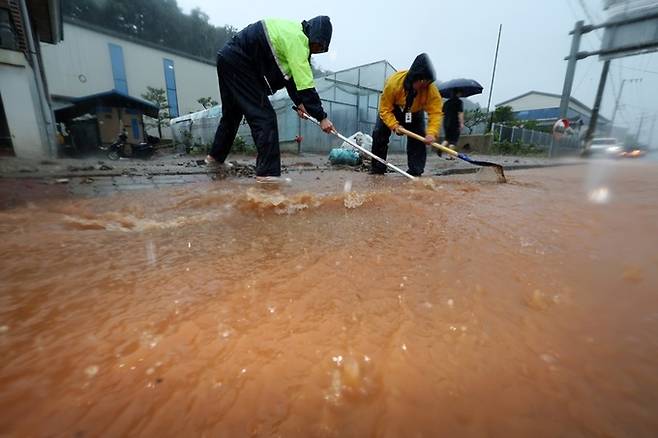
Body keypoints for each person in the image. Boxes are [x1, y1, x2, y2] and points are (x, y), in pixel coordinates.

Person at [205, 16, 335, 183]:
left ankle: (215, 159)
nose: (317, 50)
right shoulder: (298, 40)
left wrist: (301, 105)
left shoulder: (292, 33)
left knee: (232, 114)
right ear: (315, 36)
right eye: (318, 46)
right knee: (264, 117)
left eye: (321, 49)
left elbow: (291, 80)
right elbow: (306, 85)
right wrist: (322, 117)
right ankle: (267, 174)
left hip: (228, 57)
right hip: (240, 61)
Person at [370, 53, 443, 176]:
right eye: (423, 81)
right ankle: (378, 168)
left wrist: (432, 132)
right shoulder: (393, 84)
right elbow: (385, 109)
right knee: (379, 134)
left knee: (419, 137)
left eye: (428, 82)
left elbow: (435, 112)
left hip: (414, 113)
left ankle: (415, 171)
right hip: (393, 110)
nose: (425, 85)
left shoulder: (431, 90)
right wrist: (395, 126)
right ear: (415, 77)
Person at [438, 90, 464, 158]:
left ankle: (441, 147)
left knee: (447, 138)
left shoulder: (446, 103)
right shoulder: (459, 102)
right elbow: (460, 113)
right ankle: (450, 156)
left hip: (446, 123)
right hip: (455, 123)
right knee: (453, 140)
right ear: (457, 93)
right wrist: (461, 123)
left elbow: (442, 113)